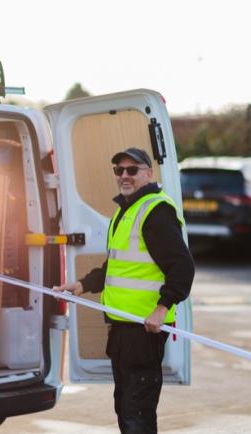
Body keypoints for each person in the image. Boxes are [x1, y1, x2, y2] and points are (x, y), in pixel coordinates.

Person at [54, 147, 194, 434]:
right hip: (122, 325)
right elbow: (116, 267)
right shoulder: (127, 210)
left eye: (132, 170)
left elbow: (182, 268)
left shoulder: (156, 211)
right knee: (126, 406)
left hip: (144, 329)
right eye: (119, 170)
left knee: (136, 410)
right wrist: (83, 285)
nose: (125, 176)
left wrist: (162, 308)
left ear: (148, 173)